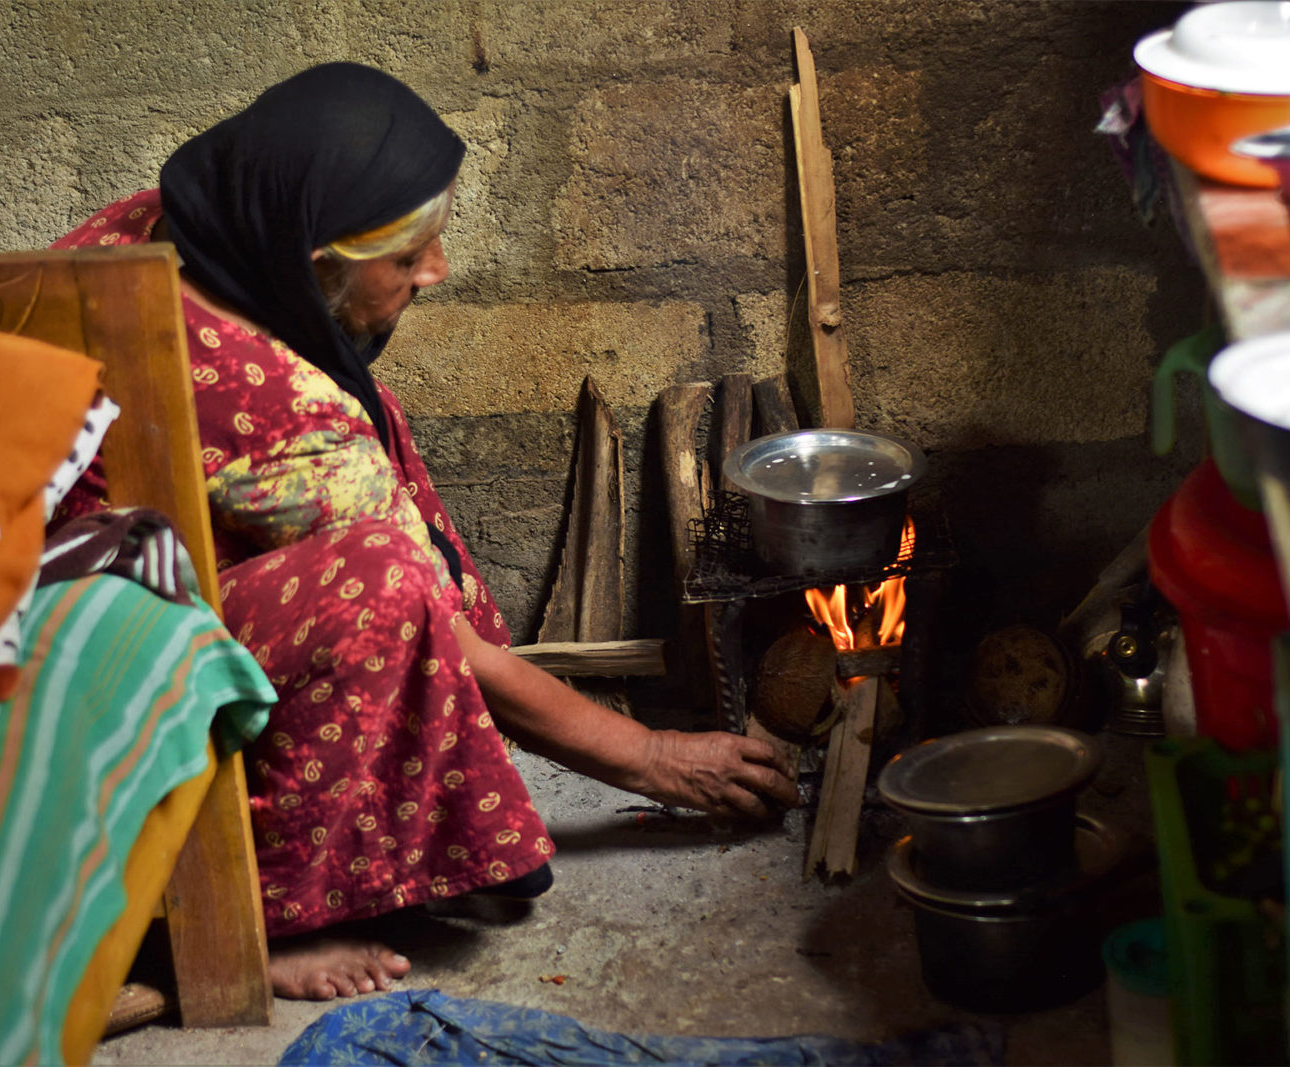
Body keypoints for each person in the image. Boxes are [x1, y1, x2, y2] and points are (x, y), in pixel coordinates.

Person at [51, 63, 799, 1002]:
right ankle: (258, 915)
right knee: (380, 581)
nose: (434, 272)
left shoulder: (160, 226)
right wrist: (647, 756)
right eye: (407, 260)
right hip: (100, 667)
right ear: (312, 261)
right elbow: (431, 621)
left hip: (83, 577)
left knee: (377, 497)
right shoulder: (287, 419)